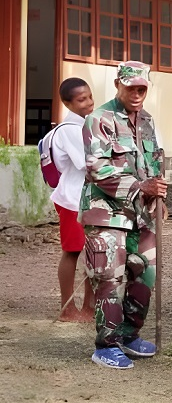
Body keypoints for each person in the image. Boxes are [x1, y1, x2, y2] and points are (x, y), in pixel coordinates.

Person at [81, 61, 167, 370]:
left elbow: (154, 160)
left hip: (140, 214)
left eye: (142, 88)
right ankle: (106, 344)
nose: (137, 94)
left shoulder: (146, 120)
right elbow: (96, 168)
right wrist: (140, 186)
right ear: (119, 84)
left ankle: (129, 336)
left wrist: (157, 193)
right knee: (110, 277)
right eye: (131, 88)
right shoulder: (99, 119)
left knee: (146, 273)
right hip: (106, 214)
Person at [49, 77, 95, 322]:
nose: (88, 102)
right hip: (72, 200)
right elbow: (88, 164)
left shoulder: (86, 124)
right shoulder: (70, 130)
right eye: (81, 100)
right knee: (72, 251)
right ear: (67, 103)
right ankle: (67, 308)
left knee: (93, 252)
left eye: (89, 96)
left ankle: (89, 306)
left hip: (87, 198)